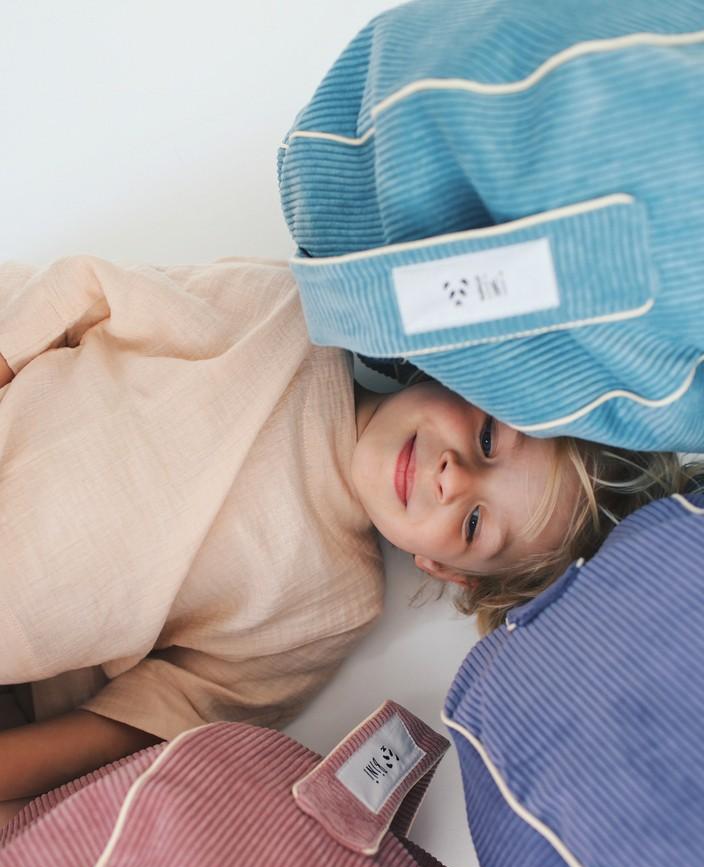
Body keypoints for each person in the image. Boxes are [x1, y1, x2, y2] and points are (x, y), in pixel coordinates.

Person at [0, 255, 695, 822]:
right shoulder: (287, 318)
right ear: (469, 370)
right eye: (488, 437)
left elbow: (152, 717)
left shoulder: (333, 605)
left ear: (446, 568)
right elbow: (75, 295)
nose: (454, 476)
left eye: (474, 522)